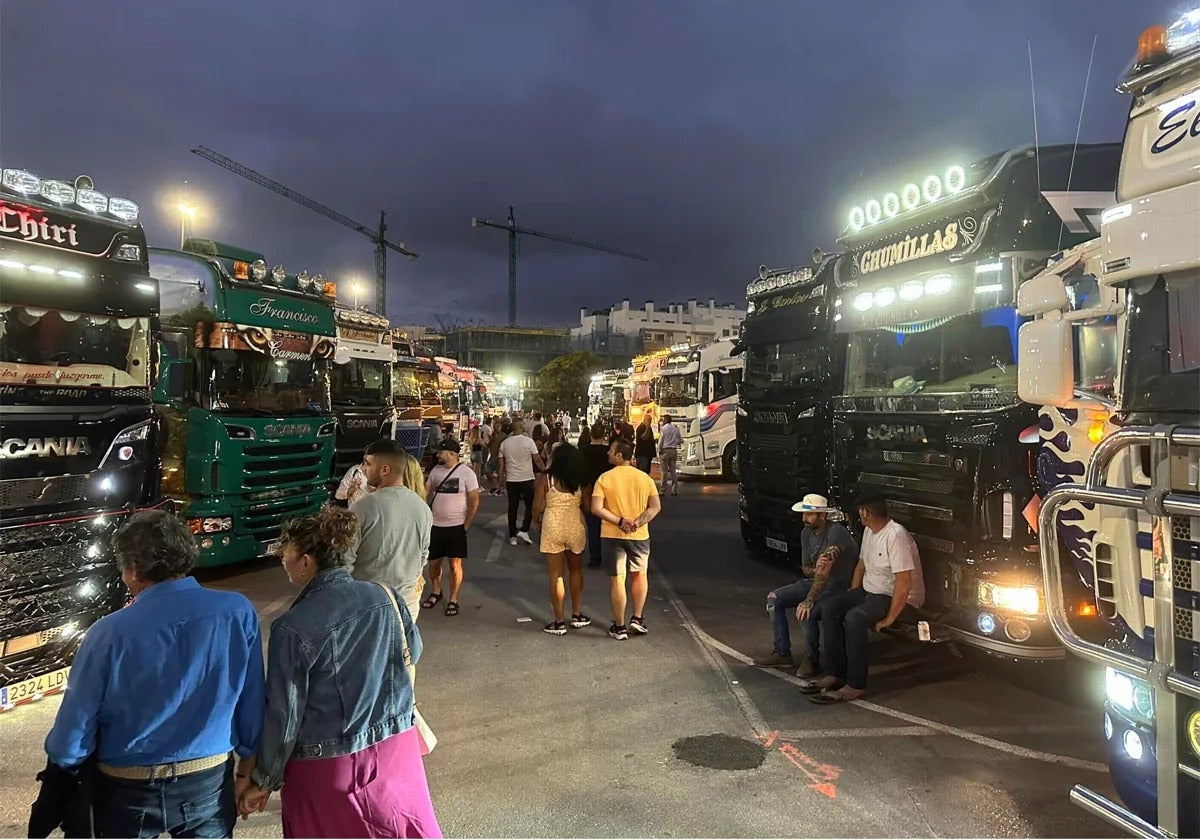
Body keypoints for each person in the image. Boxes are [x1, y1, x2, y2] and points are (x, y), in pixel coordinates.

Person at [42, 510, 263, 838]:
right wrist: (246, 773)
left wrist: (66, 767)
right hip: (208, 780)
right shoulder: (236, 611)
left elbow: (71, 737)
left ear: (132, 569)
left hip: (126, 788)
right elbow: (252, 701)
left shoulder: (108, 633)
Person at [238, 508, 441, 838]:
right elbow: (411, 653)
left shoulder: (292, 627)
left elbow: (284, 714)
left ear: (306, 562)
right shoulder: (386, 596)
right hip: (396, 749)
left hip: (329, 765)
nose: (282, 561)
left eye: (286, 553)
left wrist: (264, 780)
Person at [805, 493, 925, 704]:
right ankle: (835, 672)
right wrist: (852, 594)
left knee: (854, 618)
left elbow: (904, 583)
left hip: (895, 596)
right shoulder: (870, 531)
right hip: (871, 591)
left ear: (865, 512)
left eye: (860, 510)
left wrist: (889, 619)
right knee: (831, 607)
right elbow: (861, 566)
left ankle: (856, 684)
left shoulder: (895, 535)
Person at [752, 494, 860, 678]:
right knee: (773, 599)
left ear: (822, 516)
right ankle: (782, 652)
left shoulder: (836, 532)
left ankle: (812, 659)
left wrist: (809, 599)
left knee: (806, 612)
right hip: (814, 582)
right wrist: (817, 570)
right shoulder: (805, 534)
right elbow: (807, 568)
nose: (804, 519)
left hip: (838, 586)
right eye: (804, 514)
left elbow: (825, 570)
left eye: (809, 515)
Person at [349, 439, 433, 618]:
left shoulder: (363, 507)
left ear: (385, 469)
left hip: (370, 607)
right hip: (407, 606)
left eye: (368, 463)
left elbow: (345, 559)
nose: (363, 468)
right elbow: (423, 555)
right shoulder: (422, 507)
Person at [591, 439, 661, 640]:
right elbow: (655, 507)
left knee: (618, 579)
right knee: (640, 575)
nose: (608, 454)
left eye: (611, 451)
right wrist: (637, 523)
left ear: (620, 455)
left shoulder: (604, 479)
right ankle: (637, 619)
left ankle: (619, 626)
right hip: (639, 535)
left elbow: (596, 508)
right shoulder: (644, 478)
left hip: (612, 535)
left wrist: (620, 521)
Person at [532, 443, 591, 635]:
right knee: (576, 571)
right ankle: (577, 614)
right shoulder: (581, 479)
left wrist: (536, 520)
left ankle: (558, 621)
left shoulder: (546, 478)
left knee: (556, 576)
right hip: (575, 524)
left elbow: (537, 505)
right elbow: (588, 506)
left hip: (552, 525)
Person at [422, 438, 480, 617]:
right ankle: (436, 592)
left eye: (441, 452)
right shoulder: (435, 471)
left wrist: (466, 525)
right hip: (435, 525)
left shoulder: (466, 473)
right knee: (434, 563)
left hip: (456, 526)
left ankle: (453, 598)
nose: (438, 455)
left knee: (455, 563)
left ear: (453, 454)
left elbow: (474, 500)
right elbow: (425, 493)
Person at [499, 420, 545, 546]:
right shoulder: (529, 441)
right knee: (530, 505)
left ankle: (512, 535)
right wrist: (546, 471)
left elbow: (501, 463)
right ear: (520, 427)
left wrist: (500, 478)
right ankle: (524, 529)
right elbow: (537, 459)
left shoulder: (504, 443)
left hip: (511, 479)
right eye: (523, 424)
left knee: (512, 507)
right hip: (527, 478)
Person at [582, 421, 614, 569]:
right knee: (612, 524)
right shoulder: (608, 452)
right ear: (603, 435)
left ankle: (595, 557)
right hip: (608, 492)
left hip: (589, 491)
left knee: (593, 526)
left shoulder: (584, 451)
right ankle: (617, 556)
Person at [657, 414, 683, 496]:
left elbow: (661, 441)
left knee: (664, 471)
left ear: (665, 420)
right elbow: (681, 440)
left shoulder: (663, 429)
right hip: (673, 451)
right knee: (673, 471)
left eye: (663, 420)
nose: (662, 421)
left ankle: (662, 490)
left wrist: (659, 450)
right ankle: (674, 490)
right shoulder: (675, 429)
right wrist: (674, 443)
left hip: (665, 451)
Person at [485, 416, 506, 496]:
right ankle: (495, 486)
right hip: (493, 456)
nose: (497, 428)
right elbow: (489, 445)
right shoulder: (493, 435)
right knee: (488, 471)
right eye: (495, 426)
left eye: (498, 426)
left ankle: (501, 488)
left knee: (500, 473)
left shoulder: (503, 436)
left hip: (499, 457)